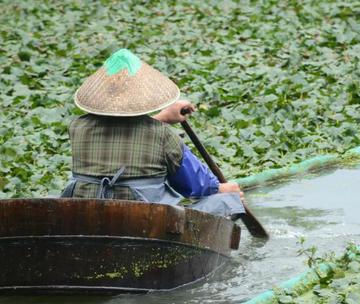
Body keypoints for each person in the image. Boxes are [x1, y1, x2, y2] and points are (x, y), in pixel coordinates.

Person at [61, 49, 244, 217]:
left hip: (86, 216)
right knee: (227, 201)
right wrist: (222, 189)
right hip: (145, 223)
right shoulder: (163, 135)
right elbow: (194, 186)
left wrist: (162, 117)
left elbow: (121, 132)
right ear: (143, 95)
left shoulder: (77, 127)